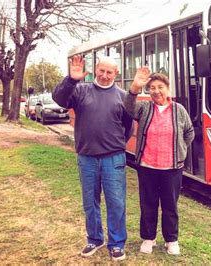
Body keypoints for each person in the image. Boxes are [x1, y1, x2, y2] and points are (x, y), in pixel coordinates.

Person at [52, 55, 132, 261]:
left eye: (110, 72)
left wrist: (115, 144)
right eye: (102, 71)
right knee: (90, 202)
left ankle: (116, 243)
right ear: (96, 69)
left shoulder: (122, 96)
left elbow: (128, 127)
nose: (105, 76)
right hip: (86, 157)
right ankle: (95, 239)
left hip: (113, 158)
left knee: (116, 202)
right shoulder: (80, 90)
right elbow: (59, 99)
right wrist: (71, 79)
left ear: (116, 74)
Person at [124, 67, 194, 255]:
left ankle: (171, 240)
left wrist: (180, 152)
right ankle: (149, 238)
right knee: (148, 203)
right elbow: (128, 108)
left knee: (170, 205)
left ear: (167, 88)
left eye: (160, 87)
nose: (156, 91)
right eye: (152, 87)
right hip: (147, 167)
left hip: (171, 168)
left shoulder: (179, 110)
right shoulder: (145, 108)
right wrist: (135, 88)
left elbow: (189, 132)